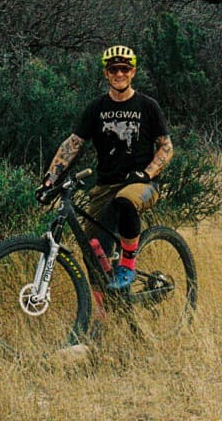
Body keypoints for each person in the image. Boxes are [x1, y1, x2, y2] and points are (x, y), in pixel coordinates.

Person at [40, 44, 174, 295]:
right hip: (105, 187)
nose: (119, 74)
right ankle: (106, 313)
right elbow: (72, 144)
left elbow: (166, 148)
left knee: (125, 200)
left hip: (142, 184)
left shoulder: (147, 106)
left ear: (133, 72)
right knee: (92, 250)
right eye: (114, 69)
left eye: (124, 69)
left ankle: (128, 265)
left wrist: (147, 173)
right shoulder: (96, 108)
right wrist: (50, 179)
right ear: (106, 73)